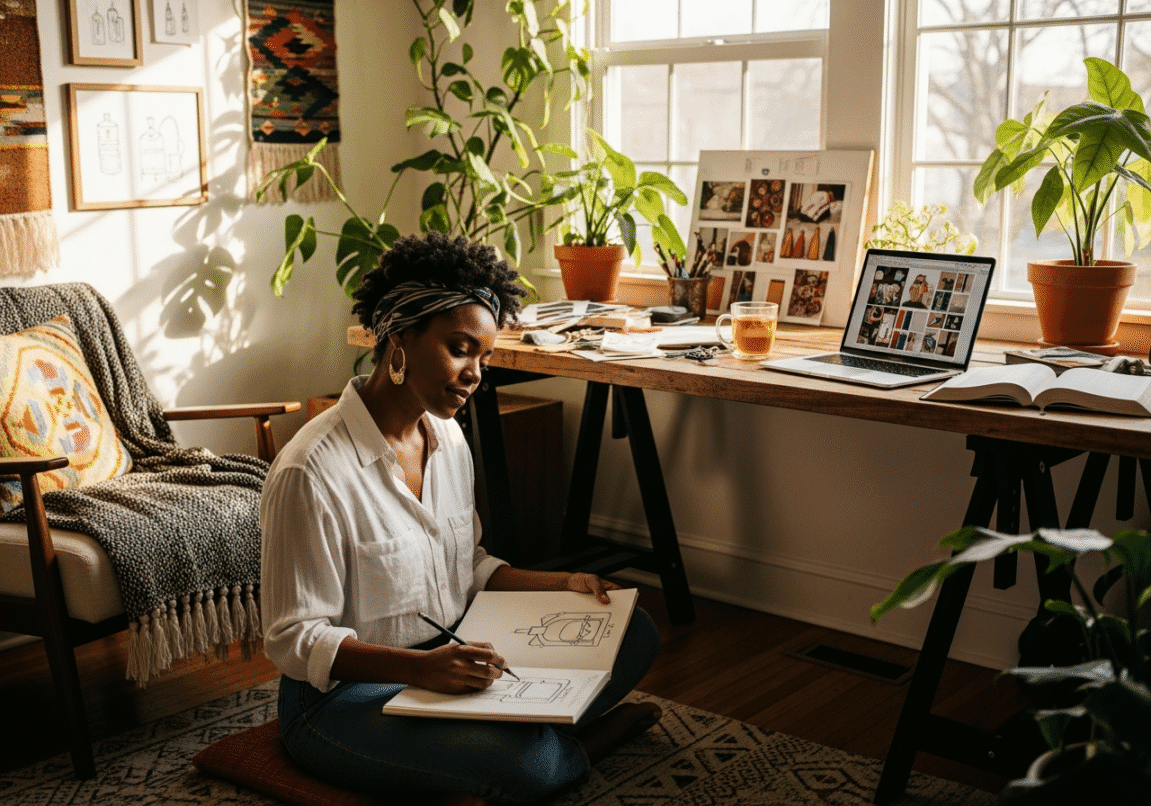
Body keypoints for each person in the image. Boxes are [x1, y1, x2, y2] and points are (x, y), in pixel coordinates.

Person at [260, 232, 662, 806]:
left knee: (637, 633)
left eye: (485, 356)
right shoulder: (311, 471)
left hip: (456, 660)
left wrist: (563, 585)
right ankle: (563, 746)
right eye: (460, 347)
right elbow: (293, 639)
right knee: (529, 763)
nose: (476, 372)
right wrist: (422, 669)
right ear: (399, 337)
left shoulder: (447, 437)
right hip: (342, 699)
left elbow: (466, 565)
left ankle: (497, 753)